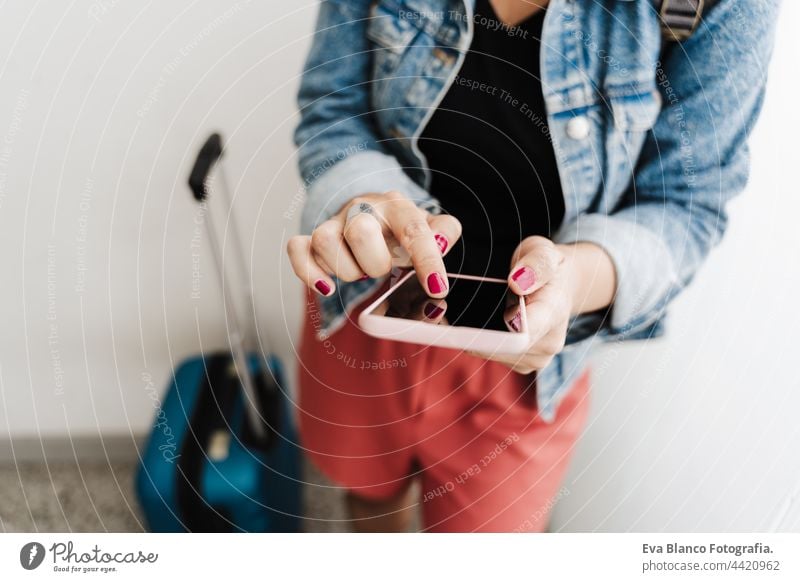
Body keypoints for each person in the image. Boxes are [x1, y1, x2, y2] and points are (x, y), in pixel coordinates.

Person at [286, 0, 778, 532]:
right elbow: (333, 111)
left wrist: (573, 279)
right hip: (367, 311)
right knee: (366, 502)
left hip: (531, 370)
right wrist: (362, 202)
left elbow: (688, 202)